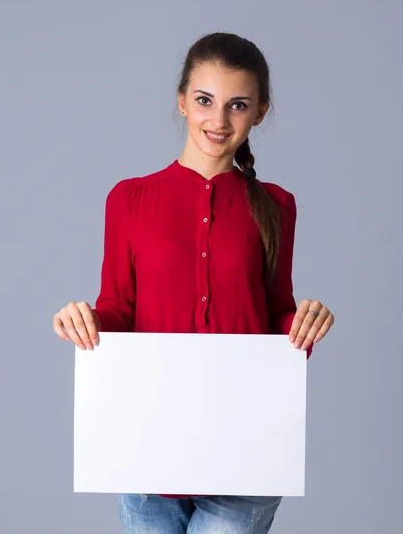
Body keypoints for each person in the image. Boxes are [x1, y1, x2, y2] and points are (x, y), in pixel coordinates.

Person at [53, 32, 335, 534]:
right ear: (182, 100)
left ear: (260, 113)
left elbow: (276, 314)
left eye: (238, 105)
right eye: (205, 100)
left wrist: (305, 324)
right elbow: (118, 309)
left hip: (247, 444)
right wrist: (86, 322)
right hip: (146, 445)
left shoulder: (276, 206)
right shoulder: (129, 199)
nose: (218, 120)